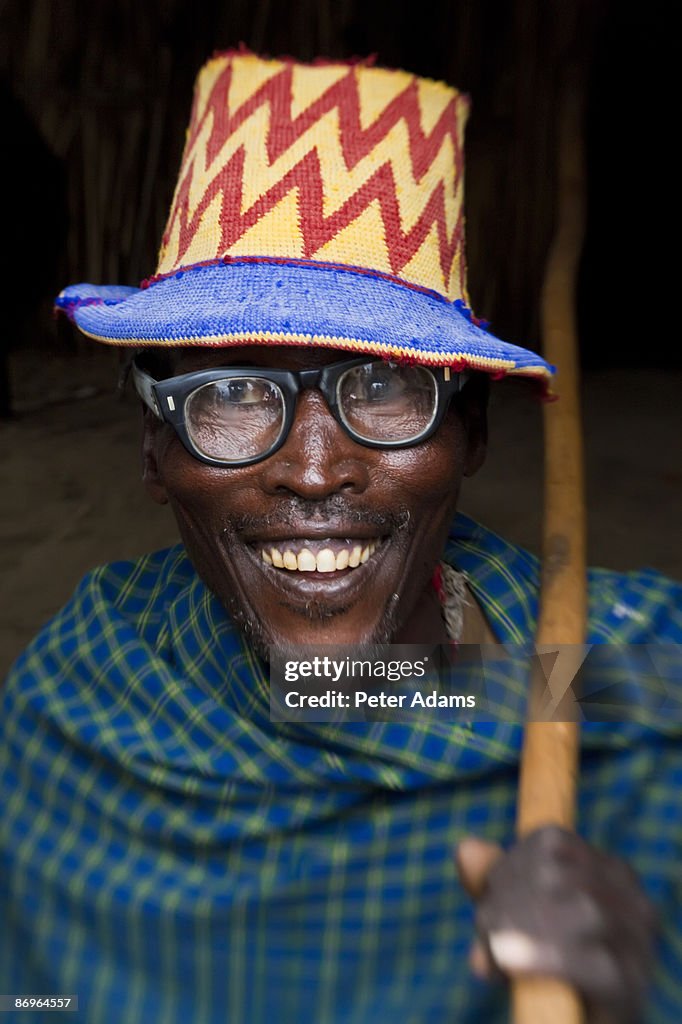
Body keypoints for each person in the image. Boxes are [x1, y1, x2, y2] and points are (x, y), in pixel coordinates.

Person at [1, 51, 680, 1024]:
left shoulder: (628, 677)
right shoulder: (91, 693)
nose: (315, 470)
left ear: (471, 435)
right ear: (156, 454)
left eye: (384, 386)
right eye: (231, 395)